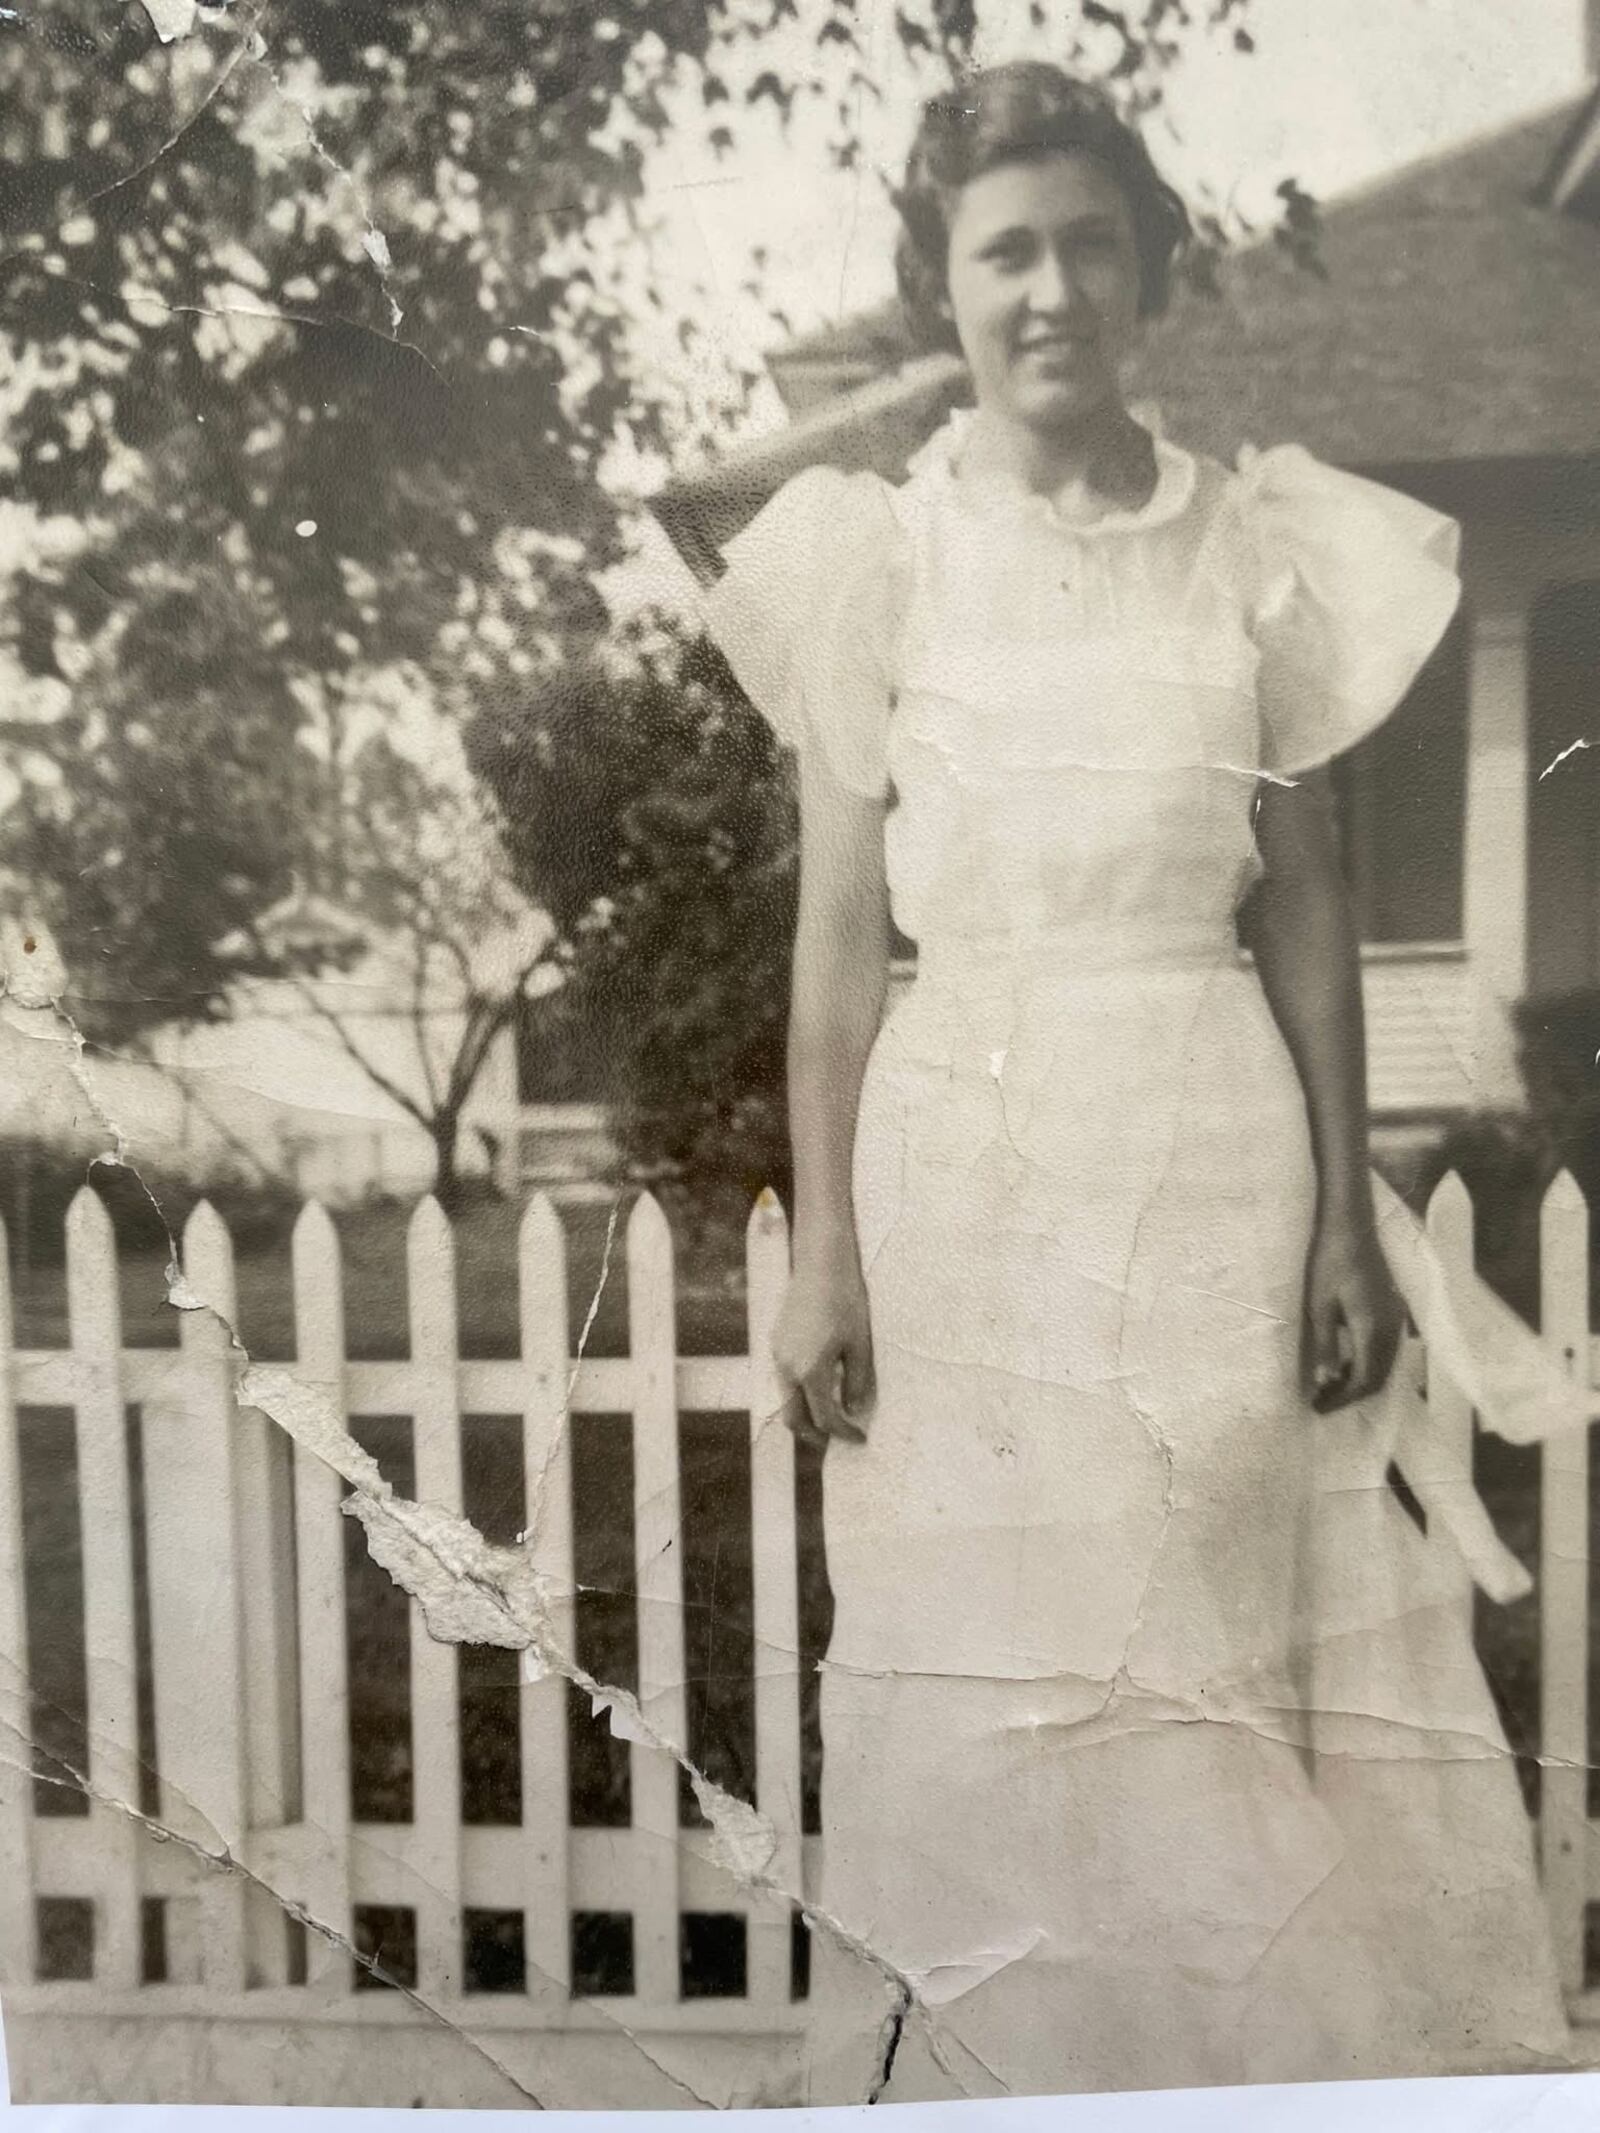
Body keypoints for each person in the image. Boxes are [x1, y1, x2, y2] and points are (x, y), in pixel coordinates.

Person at [700, 62, 1581, 2100]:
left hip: (1202, 1149)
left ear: (1146, 270)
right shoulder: (876, 561)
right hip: (962, 1161)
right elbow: (834, 942)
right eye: (1001, 248)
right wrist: (821, 1246)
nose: (1048, 290)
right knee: (991, 1666)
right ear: (938, 281)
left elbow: (1304, 901)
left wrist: (1343, 1210)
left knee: (1196, 1647)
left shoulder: (1250, 545)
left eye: (1089, 241)